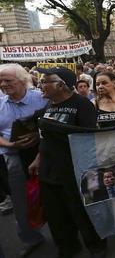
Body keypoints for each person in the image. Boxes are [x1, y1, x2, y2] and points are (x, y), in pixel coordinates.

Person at [29, 66, 108, 258]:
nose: (41, 85)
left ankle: (96, 245)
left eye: (45, 81)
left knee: (81, 210)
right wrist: (38, 159)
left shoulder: (82, 104)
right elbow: (45, 138)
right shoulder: (50, 105)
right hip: (49, 170)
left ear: (61, 85)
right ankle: (68, 246)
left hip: (74, 169)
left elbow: (90, 137)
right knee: (56, 213)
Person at [0, 64, 47, 257]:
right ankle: (30, 238)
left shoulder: (42, 99)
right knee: (21, 201)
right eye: (0, 81)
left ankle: (66, 234)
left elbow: (54, 124)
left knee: (54, 195)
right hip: (13, 159)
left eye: (7, 80)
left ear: (22, 80)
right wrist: (9, 145)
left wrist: (37, 135)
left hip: (44, 154)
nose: (3, 84)